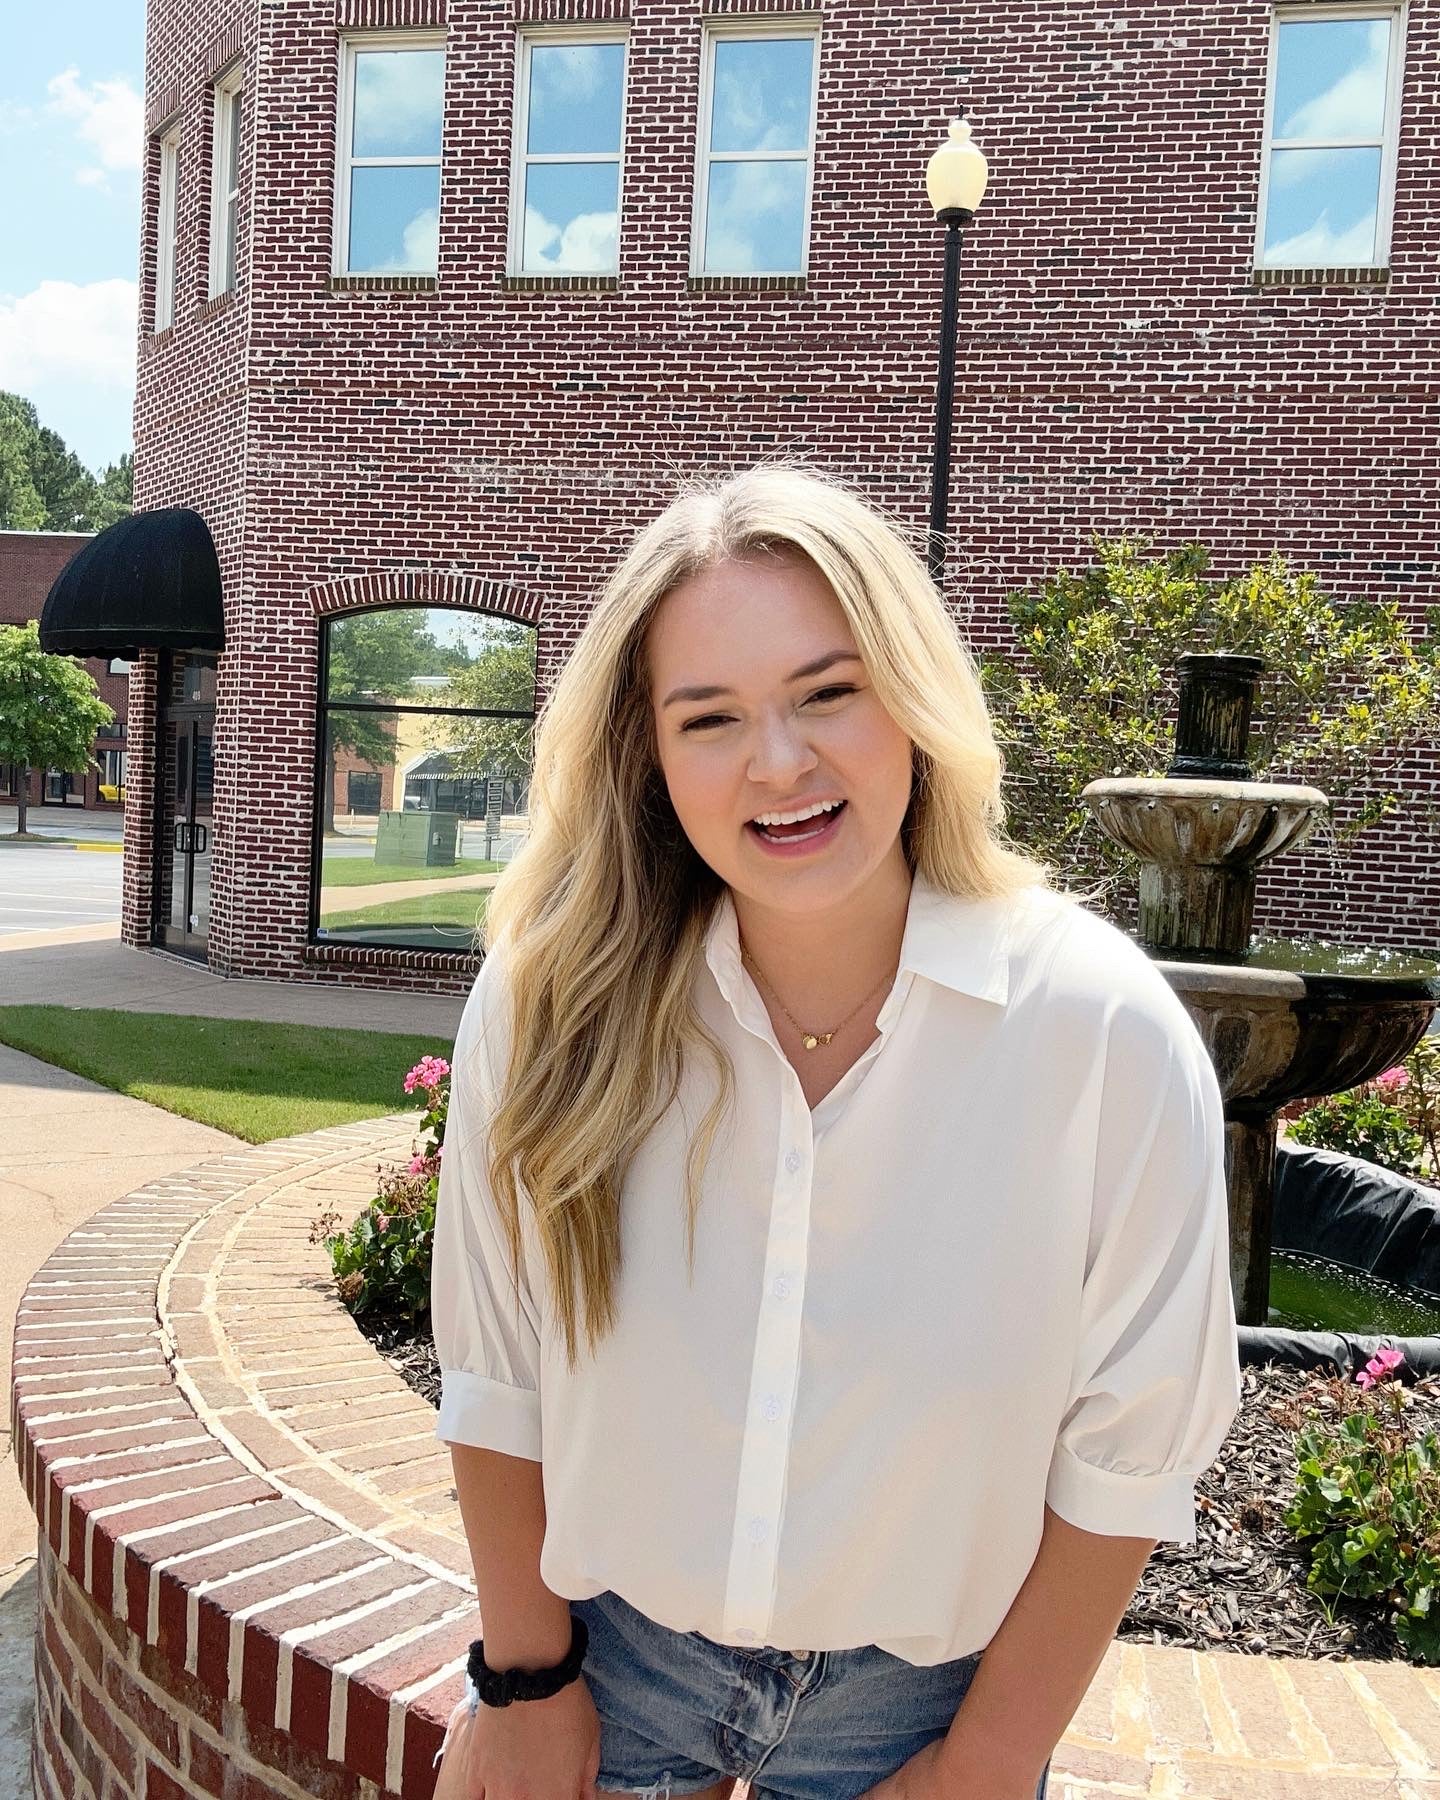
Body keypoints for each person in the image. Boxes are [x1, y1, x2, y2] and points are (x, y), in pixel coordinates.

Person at [429, 462, 1243, 1800]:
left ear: (913, 701)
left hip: (923, 1710)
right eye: (710, 718)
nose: (779, 762)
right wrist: (523, 1683)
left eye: (828, 692)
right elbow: (497, 1371)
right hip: (606, 1667)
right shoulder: (547, 1002)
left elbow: (1129, 1459)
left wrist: (987, 1763)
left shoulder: (1100, 1032)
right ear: (649, 757)